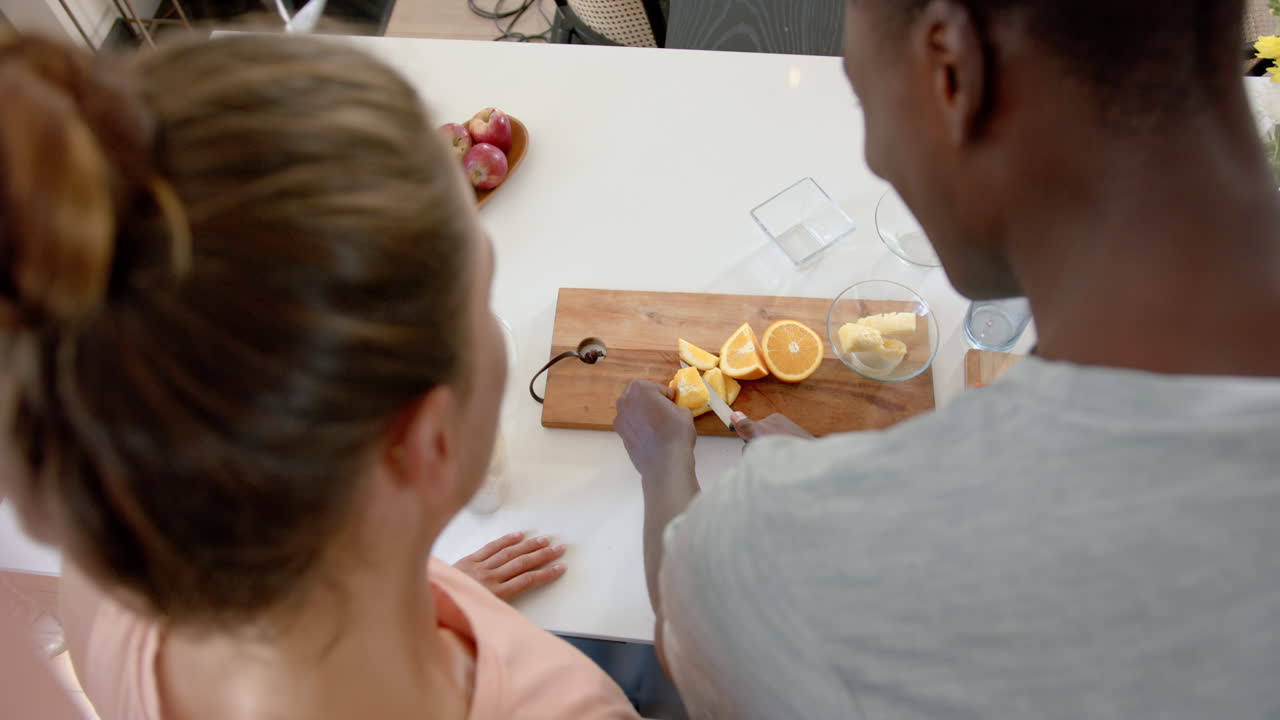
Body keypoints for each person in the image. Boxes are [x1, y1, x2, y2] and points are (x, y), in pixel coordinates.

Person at [615, 0, 1280, 717]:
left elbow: (684, 635)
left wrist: (670, 468)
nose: (874, 155)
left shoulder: (795, 544)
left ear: (952, 70)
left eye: (862, 95)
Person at [0, 34, 640, 720]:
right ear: (425, 444)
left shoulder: (116, 582)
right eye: (482, 295)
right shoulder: (567, 706)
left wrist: (430, 589)